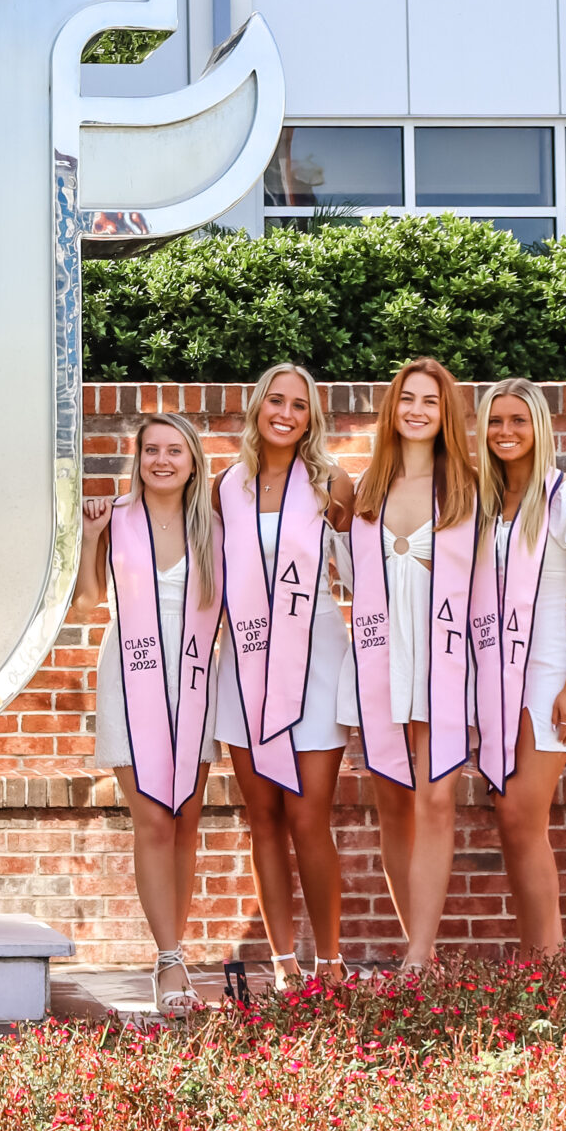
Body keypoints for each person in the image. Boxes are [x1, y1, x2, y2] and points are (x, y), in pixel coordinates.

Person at [214, 361, 356, 991]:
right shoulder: (226, 487)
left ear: (312, 418)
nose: (286, 413)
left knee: (308, 819)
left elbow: (360, 576)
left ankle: (330, 961)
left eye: (300, 405)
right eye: (277, 400)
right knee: (263, 819)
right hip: (244, 667)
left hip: (314, 666)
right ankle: (283, 964)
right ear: (258, 406)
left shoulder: (333, 486)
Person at [76, 412, 223, 1016]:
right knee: (154, 823)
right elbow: (88, 600)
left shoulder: (214, 527)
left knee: (186, 819)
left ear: (193, 462)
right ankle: (168, 960)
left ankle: (175, 948)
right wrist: (90, 539)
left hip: (193, 680)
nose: (162, 460)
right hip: (129, 678)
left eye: (175, 451)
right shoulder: (118, 520)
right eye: (151, 451)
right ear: (137, 460)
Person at [339, 358, 479, 969]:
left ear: (446, 413)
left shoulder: (471, 488)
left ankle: (419, 957)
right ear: (392, 411)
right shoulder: (365, 488)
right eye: (406, 400)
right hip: (380, 657)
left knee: (436, 800)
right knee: (392, 802)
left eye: (430, 401)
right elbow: (343, 575)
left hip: (443, 660)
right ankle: (414, 944)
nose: (417, 410)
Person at [473, 378, 566, 954]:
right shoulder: (476, 500)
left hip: (545, 675)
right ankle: (538, 964)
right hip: (486, 674)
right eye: (496, 421)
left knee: (521, 817)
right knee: (510, 822)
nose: (506, 432)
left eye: (518, 421)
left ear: (539, 427)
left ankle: (549, 968)